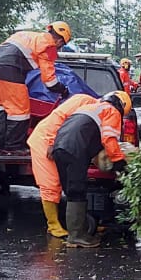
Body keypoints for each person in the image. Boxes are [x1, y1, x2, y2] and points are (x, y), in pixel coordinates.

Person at [50, 92, 132, 247]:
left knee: (70, 190)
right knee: (77, 190)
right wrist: (119, 162)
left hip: (59, 146)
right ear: (122, 106)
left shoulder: (90, 107)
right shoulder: (111, 111)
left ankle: (77, 232)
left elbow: (88, 134)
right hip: (75, 148)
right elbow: (109, 139)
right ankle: (77, 236)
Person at [0, 22, 71, 153]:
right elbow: (49, 81)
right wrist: (63, 89)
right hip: (10, 69)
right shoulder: (48, 46)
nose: (59, 48)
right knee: (20, 112)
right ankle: (14, 147)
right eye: (62, 45)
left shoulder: (26, 35)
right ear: (59, 40)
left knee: (2, 106)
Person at [29, 93, 99, 238]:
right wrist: (51, 142)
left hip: (60, 142)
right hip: (45, 140)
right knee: (50, 184)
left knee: (67, 183)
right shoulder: (84, 101)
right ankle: (53, 225)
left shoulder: (97, 110)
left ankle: (77, 222)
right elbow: (59, 117)